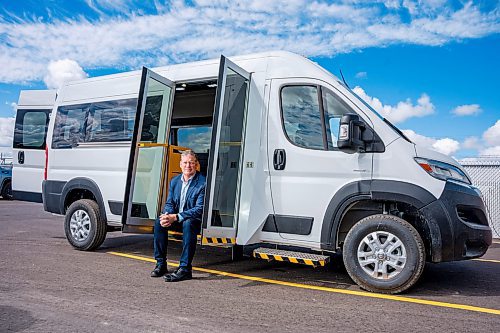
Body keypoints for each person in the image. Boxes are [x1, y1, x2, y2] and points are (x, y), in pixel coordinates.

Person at [150, 150, 206, 282]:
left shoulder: (203, 182)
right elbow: (170, 202)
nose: (188, 166)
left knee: (188, 223)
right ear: (180, 164)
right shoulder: (175, 181)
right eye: (185, 163)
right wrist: (167, 215)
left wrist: (176, 217)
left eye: (191, 163)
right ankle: (161, 264)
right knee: (159, 222)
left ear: (196, 164)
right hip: (177, 218)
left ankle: (185, 269)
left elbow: (199, 209)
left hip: (195, 221)